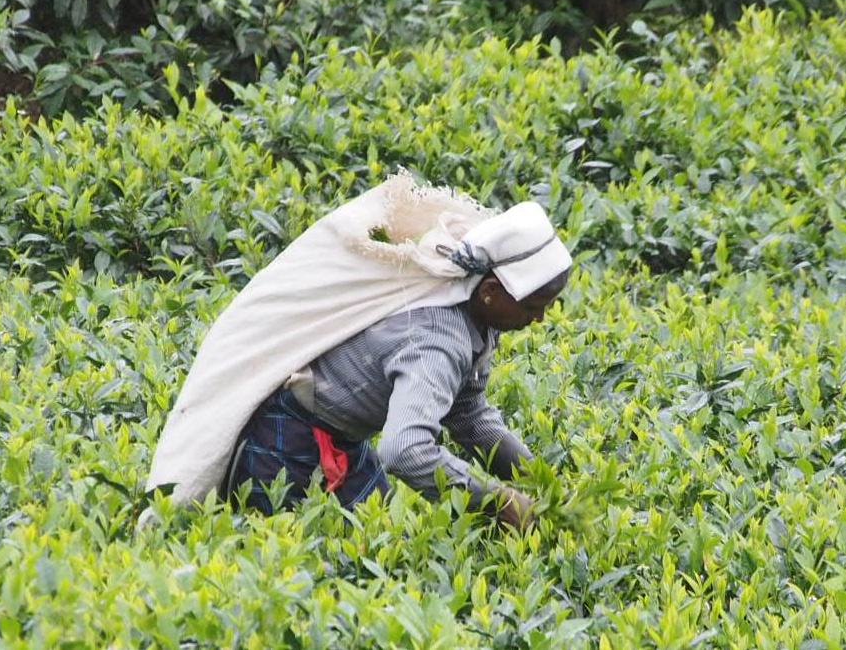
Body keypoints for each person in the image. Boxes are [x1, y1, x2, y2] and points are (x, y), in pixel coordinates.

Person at [141, 172, 572, 532]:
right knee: (305, 563)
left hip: (343, 440)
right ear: (492, 291)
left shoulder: (473, 313)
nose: (539, 319)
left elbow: (468, 414)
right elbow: (406, 451)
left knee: (376, 543)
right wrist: (499, 502)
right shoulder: (437, 339)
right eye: (533, 306)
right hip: (287, 441)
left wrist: (542, 484)